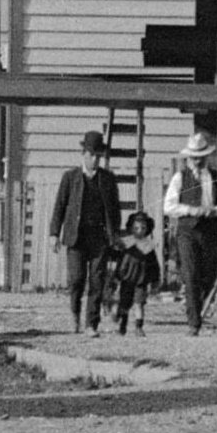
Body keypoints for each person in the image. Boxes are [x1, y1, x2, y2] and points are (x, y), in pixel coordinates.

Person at [48, 141, 130, 334]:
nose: (95, 159)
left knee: (97, 281)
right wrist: (54, 233)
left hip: (99, 238)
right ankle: (75, 313)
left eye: (98, 156)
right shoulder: (70, 178)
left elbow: (115, 210)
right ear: (83, 154)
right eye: (91, 155)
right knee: (77, 279)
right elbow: (59, 206)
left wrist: (114, 234)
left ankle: (91, 324)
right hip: (76, 237)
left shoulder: (107, 179)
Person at [162, 129, 217, 332]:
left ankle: (199, 309)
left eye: (200, 157)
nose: (197, 161)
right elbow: (168, 206)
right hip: (187, 232)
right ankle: (193, 323)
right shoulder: (180, 178)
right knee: (190, 275)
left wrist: (214, 210)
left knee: (209, 275)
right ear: (188, 157)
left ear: (206, 157)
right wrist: (190, 210)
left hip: (209, 231)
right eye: (194, 157)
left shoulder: (216, 177)